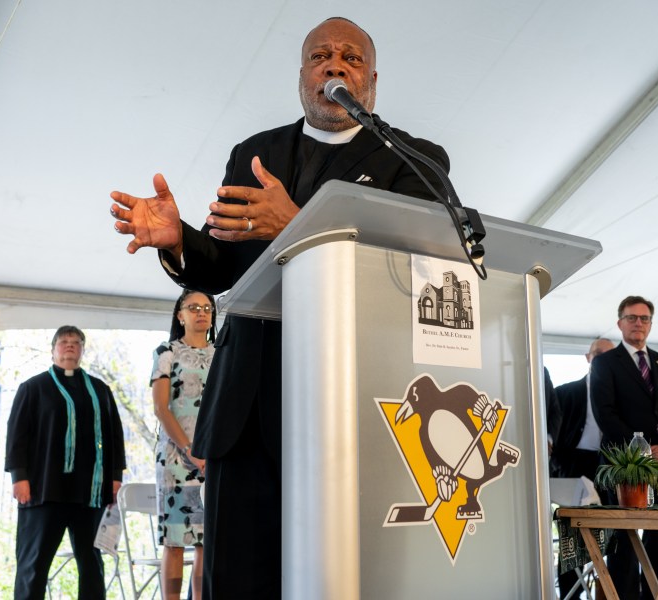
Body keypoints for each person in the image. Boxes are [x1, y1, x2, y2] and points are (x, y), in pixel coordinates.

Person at [109, 17, 449, 599]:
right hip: (246, 403)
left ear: (371, 79)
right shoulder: (254, 153)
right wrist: (180, 241)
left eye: (350, 56)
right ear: (302, 76)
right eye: (320, 55)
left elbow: (409, 274)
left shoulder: (413, 161)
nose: (334, 65)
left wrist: (296, 227)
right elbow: (224, 267)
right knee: (237, 581)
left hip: (351, 410)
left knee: (339, 580)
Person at [5, 326, 126, 600]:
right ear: (53, 350)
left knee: (91, 563)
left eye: (76, 342)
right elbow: (16, 435)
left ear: (83, 350)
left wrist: (115, 476)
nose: (69, 346)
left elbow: (114, 435)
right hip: (43, 489)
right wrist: (18, 476)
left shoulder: (100, 390)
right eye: (63, 342)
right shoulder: (33, 388)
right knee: (33, 563)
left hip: (89, 492)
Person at [590, 296, 658, 600]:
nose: (638, 323)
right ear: (620, 323)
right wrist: (643, 450)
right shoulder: (605, 363)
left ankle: (656, 596)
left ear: (650, 324)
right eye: (632, 318)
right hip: (624, 466)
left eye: (644, 318)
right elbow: (605, 413)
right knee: (623, 541)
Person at [151, 290, 216, 600]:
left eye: (207, 307)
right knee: (176, 540)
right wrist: (190, 449)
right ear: (180, 315)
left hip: (213, 459)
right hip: (177, 458)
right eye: (193, 307)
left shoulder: (223, 353)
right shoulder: (167, 351)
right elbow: (162, 408)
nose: (201, 312)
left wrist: (210, 453)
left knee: (206, 540)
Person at [552, 337, 613, 600]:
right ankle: (570, 596)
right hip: (574, 469)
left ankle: (610, 593)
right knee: (573, 540)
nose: (602, 359)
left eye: (609, 355)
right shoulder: (565, 393)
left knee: (615, 537)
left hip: (610, 469)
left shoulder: (623, 398)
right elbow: (550, 439)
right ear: (587, 358)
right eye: (597, 353)